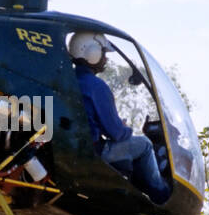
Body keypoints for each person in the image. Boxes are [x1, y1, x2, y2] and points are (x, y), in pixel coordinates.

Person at [68, 31, 171, 204]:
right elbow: (116, 133)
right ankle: (160, 195)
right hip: (96, 152)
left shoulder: (68, 79)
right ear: (91, 52)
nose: (106, 59)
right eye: (104, 54)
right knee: (144, 145)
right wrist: (125, 128)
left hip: (74, 149)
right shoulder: (96, 86)